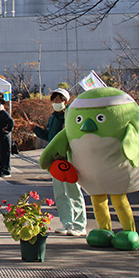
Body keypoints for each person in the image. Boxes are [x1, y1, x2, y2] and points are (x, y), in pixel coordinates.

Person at [33, 88, 87, 236]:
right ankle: (67, 223)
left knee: (73, 192)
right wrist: (36, 129)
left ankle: (79, 225)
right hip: (55, 162)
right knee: (60, 193)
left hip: (69, 160)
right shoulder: (53, 118)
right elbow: (49, 137)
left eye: (60, 100)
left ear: (66, 101)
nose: (57, 103)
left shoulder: (71, 116)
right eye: (55, 100)